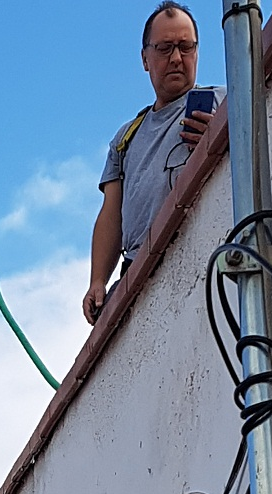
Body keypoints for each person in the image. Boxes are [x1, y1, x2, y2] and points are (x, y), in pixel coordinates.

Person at [82, 1, 225, 324]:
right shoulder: (126, 137)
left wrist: (221, 136)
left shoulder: (226, 103)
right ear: (145, 59)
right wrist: (98, 281)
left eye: (186, 47)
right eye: (164, 48)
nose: (176, 58)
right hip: (138, 274)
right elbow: (111, 212)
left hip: (203, 257)